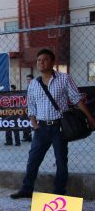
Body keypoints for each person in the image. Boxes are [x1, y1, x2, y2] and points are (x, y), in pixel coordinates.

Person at [10, 49, 95, 199]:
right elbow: (31, 104)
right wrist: (33, 122)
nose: (41, 62)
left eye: (44, 59)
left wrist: (90, 117)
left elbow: (76, 98)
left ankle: (59, 192)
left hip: (59, 128)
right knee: (33, 160)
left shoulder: (64, 78)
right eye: (38, 60)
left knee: (61, 161)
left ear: (52, 62)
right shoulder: (34, 84)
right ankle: (27, 189)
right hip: (41, 128)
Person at [22, 74, 34, 142]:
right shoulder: (28, 87)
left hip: (32, 107)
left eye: (29, 79)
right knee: (25, 120)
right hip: (26, 106)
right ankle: (26, 136)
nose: (28, 81)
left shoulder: (34, 87)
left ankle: (29, 137)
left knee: (31, 121)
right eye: (27, 79)